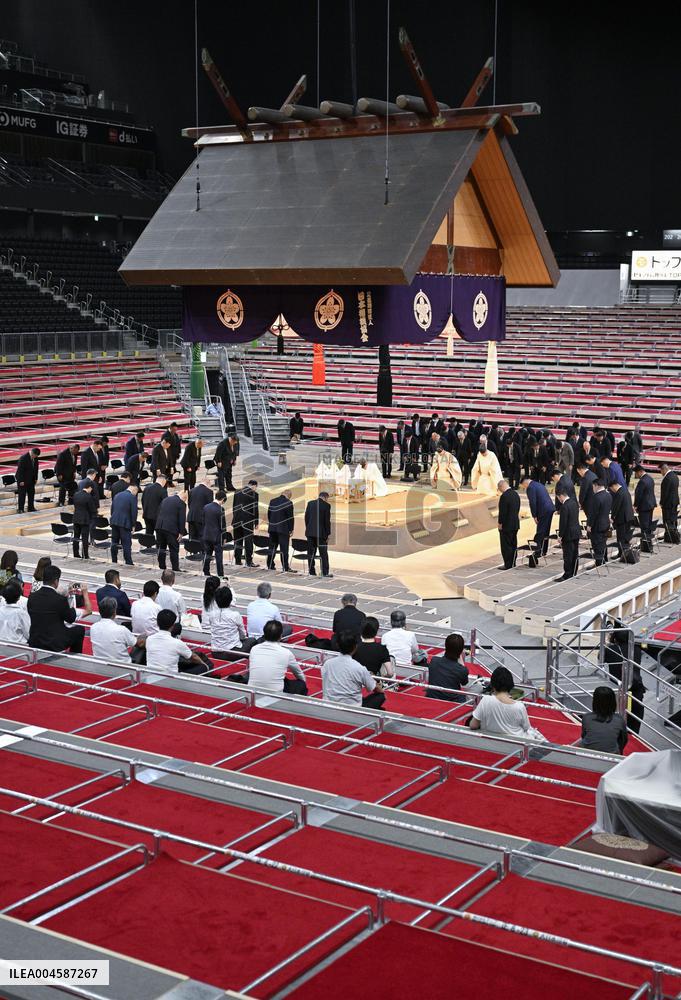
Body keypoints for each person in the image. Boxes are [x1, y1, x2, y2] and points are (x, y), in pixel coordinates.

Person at [27, 565, 91, 653]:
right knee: (79, 630)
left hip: (35, 640)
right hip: (53, 642)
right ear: (56, 581)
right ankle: (74, 657)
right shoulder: (59, 599)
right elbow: (71, 618)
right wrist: (85, 593)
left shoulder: (32, 597)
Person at [237, 619, 308, 694]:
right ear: (281, 636)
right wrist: (303, 683)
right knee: (301, 684)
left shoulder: (254, 649)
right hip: (275, 694)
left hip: (253, 692)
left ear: (264, 634)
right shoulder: (286, 653)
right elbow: (299, 674)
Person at [322, 631, 385, 709]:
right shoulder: (359, 668)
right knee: (381, 696)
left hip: (329, 704)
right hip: (353, 708)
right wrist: (374, 680)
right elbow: (378, 690)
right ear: (355, 647)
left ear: (338, 645)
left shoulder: (327, 664)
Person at [604, 623, 646, 734]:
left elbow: (600, 658)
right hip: (636, 690)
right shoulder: (636, 650)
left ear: (615, 637)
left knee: (616, 719)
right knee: (635, 719)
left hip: (619, 690)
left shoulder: (610, 650)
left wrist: (608, 642)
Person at [469, 666, 534, 738]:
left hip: (490, 743)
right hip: (516, 744)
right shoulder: (520, 706)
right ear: (511, 685)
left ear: (493, 685)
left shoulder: (485, 700)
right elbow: (527, 728)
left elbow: (473, 725)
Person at [145, 609, 208, 675]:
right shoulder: (177, 643)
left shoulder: (149, 639)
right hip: (171, 679)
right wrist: (203, 664)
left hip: (151, 675)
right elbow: (193, 657)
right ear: (173, 626)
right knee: (205, 665)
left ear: (157, 623)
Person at [90, 597, 144, 664]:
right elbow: (139, 644)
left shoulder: (93, 627)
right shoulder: (121, 630)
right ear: (114, 612)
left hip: (100, 665)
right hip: (124, 667)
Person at [203, 586, 254, 655]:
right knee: (253, 640)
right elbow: (243, 635)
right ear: (230, 599)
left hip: (215, 651)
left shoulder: (212, 614)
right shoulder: (235, 615)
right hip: (232, 652)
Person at [579, 686, 628, 754]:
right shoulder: (619, 719)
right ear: (613, 702)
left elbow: (584, 736)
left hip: (588, 754)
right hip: (612, 756)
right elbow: (623, 740)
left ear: (595, 701)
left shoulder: (586, 717)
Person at [521, 476, 554, 567]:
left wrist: (534, 515)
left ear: (525, 483)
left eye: (523, 486)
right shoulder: (539, 484)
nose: (524, 488)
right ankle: (544, 550)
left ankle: (538, 551)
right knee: (546, 530)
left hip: (543, 510)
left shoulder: (530, 488)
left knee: (541, 530)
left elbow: (533, 502)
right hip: (549, 508)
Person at [427, 633, 469, 701]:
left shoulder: (434, 660)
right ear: (461, 650)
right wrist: (461, 657)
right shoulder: (462, 670)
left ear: (446, 646)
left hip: (432, 697)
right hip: (452, 701)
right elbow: (464, 683)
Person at [155, 490, 187, 572]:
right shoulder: (181, 503)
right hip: (171, 529)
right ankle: (175, 568)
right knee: (174, 549)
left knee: (161, 547)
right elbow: (181, 519)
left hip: (159, 526)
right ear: (183, 496)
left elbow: (158, 512)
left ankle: (162, 566)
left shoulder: (165, 499)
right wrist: (181, 532)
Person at [304, 490, 332, 577]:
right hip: (321, 534)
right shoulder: (326, 506)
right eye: (328, 499)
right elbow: (326, 521)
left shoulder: (310, 503)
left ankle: (311, 571)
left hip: (310, 532)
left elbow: (306, 518)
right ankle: (324, 572)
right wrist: (328, 534)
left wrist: (308, 528)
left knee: (311, 553)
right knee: (323, 554)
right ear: (325, 497)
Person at [267, 489, 296, 573]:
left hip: (272, 528)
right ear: (288, 495)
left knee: (272, 547)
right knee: (284, 550)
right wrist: (291, 529)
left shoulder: (272, 501)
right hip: (283, 529)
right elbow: (290, 518)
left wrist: (272, 524)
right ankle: (285, 567)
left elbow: (269, 514)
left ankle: (270, 564)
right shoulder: (288, 503)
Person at [110, 483, 139, 566]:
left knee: (114, 542)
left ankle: (114, 559)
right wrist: (133, 525)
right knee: (126, 543)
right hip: (125, 523)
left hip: (114, 521)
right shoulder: (132, 497)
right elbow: (134, 512)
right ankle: (128, 561)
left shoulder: (117, 495)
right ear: (134, 490)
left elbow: (112, 508)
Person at [556, 486, 581, 580]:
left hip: (568, 534)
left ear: (561, 496)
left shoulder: (565, 506)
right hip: (576, 532)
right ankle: (574, 571)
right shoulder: (574, 503)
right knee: (575, 553)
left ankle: (567, 573)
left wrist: (560, 536)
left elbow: (563, 523)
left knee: (567, 555)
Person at [232, 480, 259, 567]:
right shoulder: (254, 494)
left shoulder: (237, 491)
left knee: (237, 541)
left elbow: (234, 506)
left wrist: (235, 517)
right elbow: (255, 509)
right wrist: (256, 522)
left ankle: (238, 560)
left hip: (236, 520)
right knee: (248, 541)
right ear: (254, 486)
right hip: (247, 521)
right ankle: (249, 561)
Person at [202, 490, 227, 577]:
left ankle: (206, 571)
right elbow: (222, 525)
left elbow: (203, 521)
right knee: (219, 556)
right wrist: (224, 537)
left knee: (207, 554)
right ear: (223, 499)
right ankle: (220, 574)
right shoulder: (220, 509)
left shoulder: (206, 507)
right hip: (217, 536)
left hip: (206, 534)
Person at [587, 480, 612, 566]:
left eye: (593, 486)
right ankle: (603, 560)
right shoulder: (608, 495)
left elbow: (593, 513)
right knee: (603, 543)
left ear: (596, 485)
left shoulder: (596, 497)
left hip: (597, 525)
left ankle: (599, 563)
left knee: (597, 544)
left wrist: (589, 525)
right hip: (605, 523)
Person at [497, 479, 520, 570]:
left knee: (506, 545)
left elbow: (503, 512)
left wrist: (500, 523)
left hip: (507, 525)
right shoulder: (515, 494)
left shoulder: (504, 496)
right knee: (513, 543)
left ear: (501, 487)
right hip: (515, 523)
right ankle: (513, 561)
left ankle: (508, 563)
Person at [609, 481, 635, 560]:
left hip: (622, 519)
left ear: (614, 486)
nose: (612, 491)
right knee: (626, 537)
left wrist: (612, 517)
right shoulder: (625, 491)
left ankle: (621, 554)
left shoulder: (619, 493)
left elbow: (616, 507)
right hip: (628, 517)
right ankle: (625, 553)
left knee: (620, 538)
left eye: (611, 489)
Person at [634, 465, 657, 553]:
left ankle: (645, 545)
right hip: (650, 505)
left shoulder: (642, 481)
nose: (636, 475)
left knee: (644, 526)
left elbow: (639, 495)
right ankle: (647, 543)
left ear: (640, 471)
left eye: (636, 473)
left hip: (644, 506)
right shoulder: (650, 478)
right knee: (648, 525)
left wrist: (635, 505)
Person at [72, 480, 97, 560]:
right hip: (85, 519)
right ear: (89, 488)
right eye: (91, 489)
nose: (91, 490)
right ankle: (85, 555)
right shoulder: (88, 497)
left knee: (76, 537)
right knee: (85, 538)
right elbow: (92, 509)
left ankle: (75, 553)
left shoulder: (76, 494)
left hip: (76, 518)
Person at [0, 579, 31, 644]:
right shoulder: (21, 613)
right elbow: (28, 633)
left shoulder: (1, 610)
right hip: (17, 645)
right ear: (18, 597)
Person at [15, 447, 40, 513]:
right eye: (35, 455)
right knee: (22, 495)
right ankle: (21, 509)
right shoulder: (23, 458)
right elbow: (20, 470)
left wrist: (36, 478)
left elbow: (36, 469)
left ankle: (31, 507)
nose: (35, 457)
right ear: (32, 453)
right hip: (22, 479)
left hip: (31, 479)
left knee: (31, 494)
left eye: (36, 456)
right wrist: (21, 481)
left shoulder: (36, 458)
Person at [660, 463, 680, 542]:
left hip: (668, 503)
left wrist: (662, 502)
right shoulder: (675, 476)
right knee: (673, 519)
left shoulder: (667, 478)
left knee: (667, 520)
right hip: (675, 501)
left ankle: (669, 538)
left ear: (664, 469)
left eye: (661, 471)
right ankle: (674, 536)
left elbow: (665, 493)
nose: (661, 473)